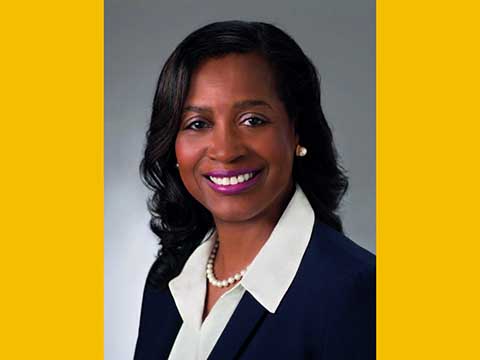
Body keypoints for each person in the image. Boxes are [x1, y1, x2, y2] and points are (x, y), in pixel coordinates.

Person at [134, 20, 375, 360]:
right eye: (198, 124)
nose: (225, 149)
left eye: (252, 120)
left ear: (297, 133)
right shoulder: (168, 280)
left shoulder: (355, 291)